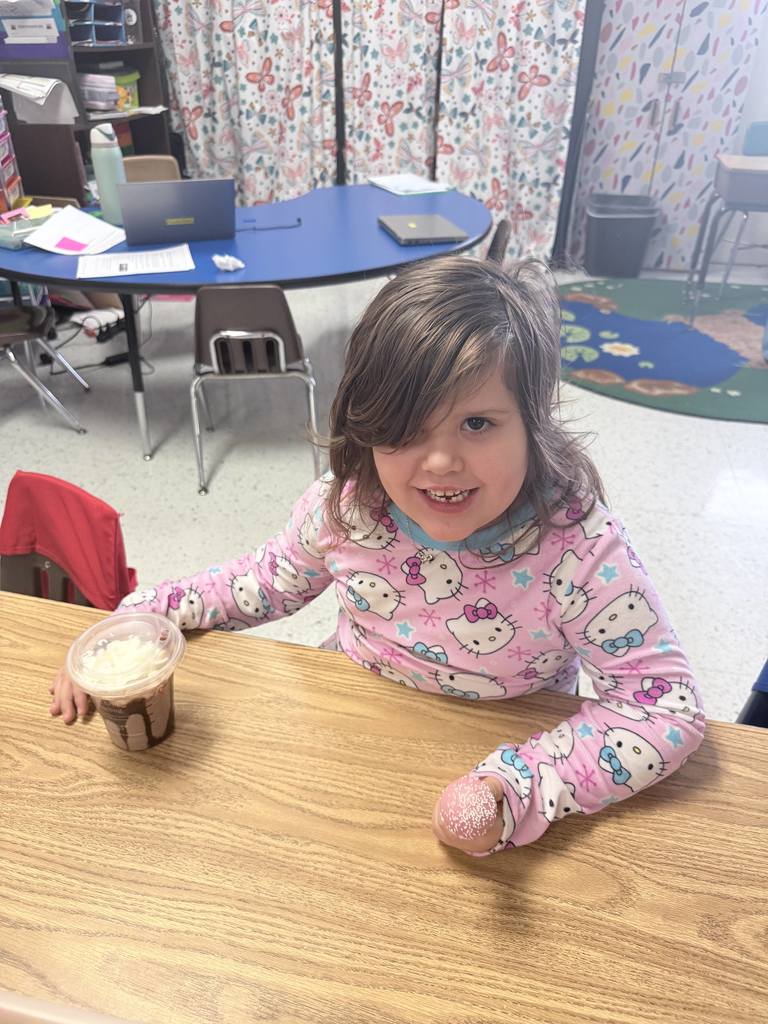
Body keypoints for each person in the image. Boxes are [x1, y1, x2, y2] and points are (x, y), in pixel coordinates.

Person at [50, 255, 706, 855]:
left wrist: (519, 787)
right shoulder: (347, 508)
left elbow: (663, 707)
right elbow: (257, 585)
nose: (443, 462)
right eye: (408, 429)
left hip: (501, 745)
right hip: (350, 745)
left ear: (534, 423)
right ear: (366, 424)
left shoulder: (581, 549)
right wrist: (133, 622)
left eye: (478, 423)